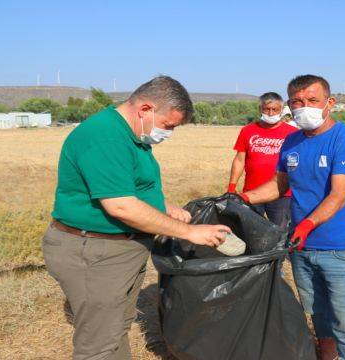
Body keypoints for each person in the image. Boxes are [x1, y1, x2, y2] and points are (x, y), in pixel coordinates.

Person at [43, 76, 230, 360]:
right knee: (98, 345)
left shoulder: (131, 135)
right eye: (169, 125)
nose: (169, 133)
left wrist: (163, 205)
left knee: (116, 327)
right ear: (146, 109)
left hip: (119, 249)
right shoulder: (105, 136)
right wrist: (188, 231)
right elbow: (120, 205)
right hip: (95, 252)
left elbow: (130, 186)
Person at [236, 75, 345, 360]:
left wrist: (308, 224)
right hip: (302, 247)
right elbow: (280, 185)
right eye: (297, 102)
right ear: (289, 104)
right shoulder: (292, 141)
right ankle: (327, 356)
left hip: (341, 248)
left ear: (329, 103)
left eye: (312, 100)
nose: (304, 107)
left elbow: (339, 195)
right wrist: (243, 197)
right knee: (318, 315)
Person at [227, 92, 297, 228]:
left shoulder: (292, 133)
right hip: (252, 192)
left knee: (280, 234)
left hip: (281, 194)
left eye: (275, 109)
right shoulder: (247, 131)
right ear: (260, 109)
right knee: (250, 232)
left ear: (281, 110)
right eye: (267, 109)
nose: (271, 113)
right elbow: (239, 160)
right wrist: (231, 187)